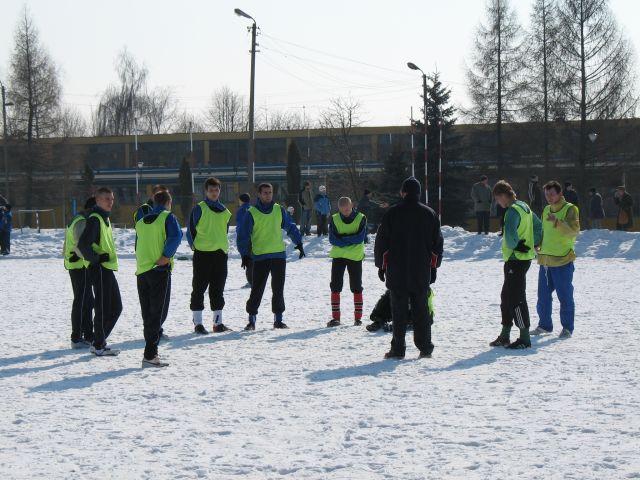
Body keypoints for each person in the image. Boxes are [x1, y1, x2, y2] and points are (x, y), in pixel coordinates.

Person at [374, 177, 443, 359]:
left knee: (399, 312)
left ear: (403, 192)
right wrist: (434, 267)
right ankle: (425, 347)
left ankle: (398, 349)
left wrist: (381, 266)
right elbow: (437, 245)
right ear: (418, 193)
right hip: (421, 271)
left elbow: (382, 243)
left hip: (397, 271)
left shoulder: (392, 213)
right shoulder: (429, 214)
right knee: (421, 310)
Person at [237, 182, 305, 330]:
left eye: (270, 192)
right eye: (265, 193)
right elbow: (243, 235)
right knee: (257, 289)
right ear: (259, 194)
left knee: (278, 289)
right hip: (260, 257)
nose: (268, 195)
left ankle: (278, 320)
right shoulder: (251, 213)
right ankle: (251, 320)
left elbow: (290, 226)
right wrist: (245, 254)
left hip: (278, 256)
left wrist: (299, 242)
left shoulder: (279, 210)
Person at [489, 181, 542, 350]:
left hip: (516, 259)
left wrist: (516, 245)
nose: (498, 203)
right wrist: (534, 242)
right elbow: (538, 226)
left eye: (497, 199)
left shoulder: (512, 211)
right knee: (506, 296)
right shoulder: (524, 206)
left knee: (516, 297)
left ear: (503, 195)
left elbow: (510, 234)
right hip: (522, 259)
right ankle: (505, 334)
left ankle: (524, 337)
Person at [135, 190, 182, 368]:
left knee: (147, 313)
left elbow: (137, 245)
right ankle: (150, 354)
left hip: (142, 271)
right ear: (169, 202)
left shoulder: (140, 221)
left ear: (154, 203)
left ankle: (149, 350)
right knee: (158, 313)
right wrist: (166, 256)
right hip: (159, 270)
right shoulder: (167, 217)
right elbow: (176, 236)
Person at [531, 181, 580, 339]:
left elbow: (573, 231)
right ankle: (544, 325)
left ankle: (567, 328)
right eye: (547, 194)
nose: (549, 197)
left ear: (560, 194)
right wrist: (537, 243)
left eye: (552, 194)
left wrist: (557, 222)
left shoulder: (570, 209)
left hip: (562, 261)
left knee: (565, 296)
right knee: (543, 297)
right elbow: (543, 231)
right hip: (545, 261)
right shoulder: (546, 209)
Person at [78, 187, 122, 356]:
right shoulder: (95, 219)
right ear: (97, 200)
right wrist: (97, 259)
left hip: (107, 268)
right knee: (103, 308)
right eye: (106, 199)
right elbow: (83, 245)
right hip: (100, 269)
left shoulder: (105, 218)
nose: (110, 202)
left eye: (112, 199)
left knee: (116, 307)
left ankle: (98, 342)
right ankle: (98, 345)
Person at [186, 177, 232, 334]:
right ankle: (198, 323)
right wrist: (196, 247)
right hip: (203, 255)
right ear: (205, 191)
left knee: (218, 289)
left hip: (220, 255)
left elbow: (224, 232)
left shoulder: (225, 211)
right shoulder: (199, 209)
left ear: (220, 191)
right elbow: (190, 231)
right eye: (211, 190)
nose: (214, 193)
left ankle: (217, 323)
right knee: (199, 288)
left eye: (216, 190)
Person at [327, 197, 367, 327]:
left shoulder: (361, 218)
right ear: (339, 208)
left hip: (355, 257)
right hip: (339, 256)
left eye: (348, 209)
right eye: (343, 210)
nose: (346, 212)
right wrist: (350, 240)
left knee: (356, 286)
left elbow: (360, 238)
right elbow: (332, 239)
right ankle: (336, 318)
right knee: (335, 285)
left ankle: (358, 318)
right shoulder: (334, 218)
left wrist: (342, 239)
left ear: (352, 206)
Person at [63, 197, 96, 349]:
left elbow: (67, 245)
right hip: (79, 266)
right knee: (82, 301)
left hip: (77, 265)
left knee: (87, 300)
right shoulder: (81, 221)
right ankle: (76, 337)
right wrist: (93, 258)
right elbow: (80, 245)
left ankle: (88, 334)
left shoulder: (78, 219)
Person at [236, 193, 253, 287]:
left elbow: (241, 226)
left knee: (247, 259)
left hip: (245, 238)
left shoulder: (241, 210)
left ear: (241, 200)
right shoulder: (253, 209)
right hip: (255, 238)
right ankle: (254, 279)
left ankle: (251, 281)